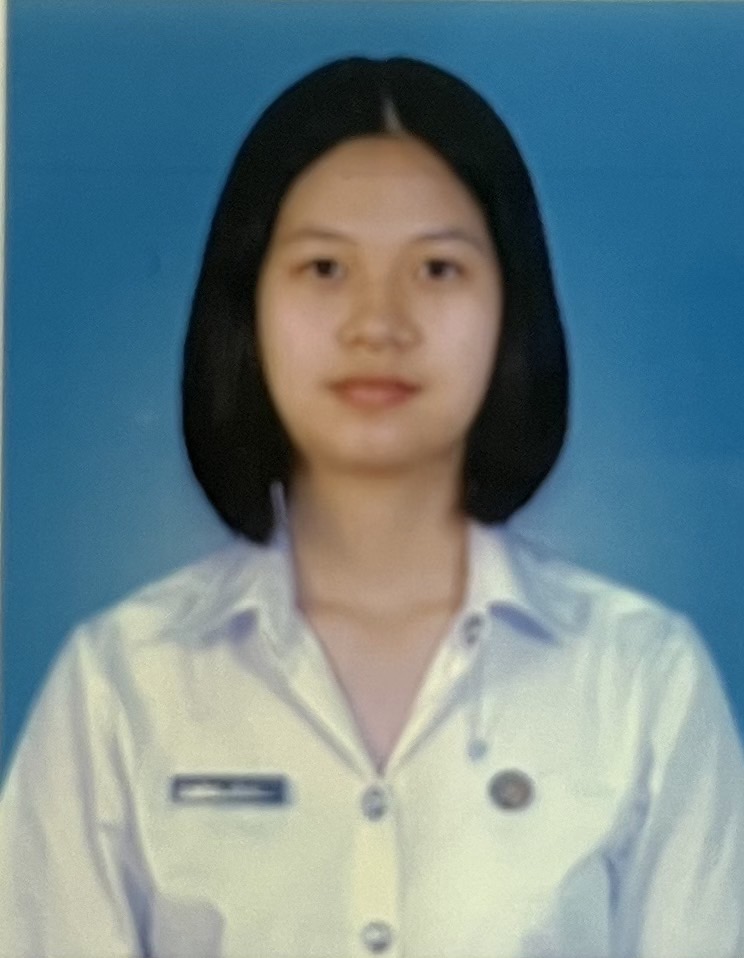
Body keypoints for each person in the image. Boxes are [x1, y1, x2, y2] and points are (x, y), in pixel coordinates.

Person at [1, 56, 742, 958]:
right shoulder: (120, 686)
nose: (378, 323)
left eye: (437, 268)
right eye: (324, 268)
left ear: (512, 308)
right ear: (247, 307)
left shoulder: (642, 681)